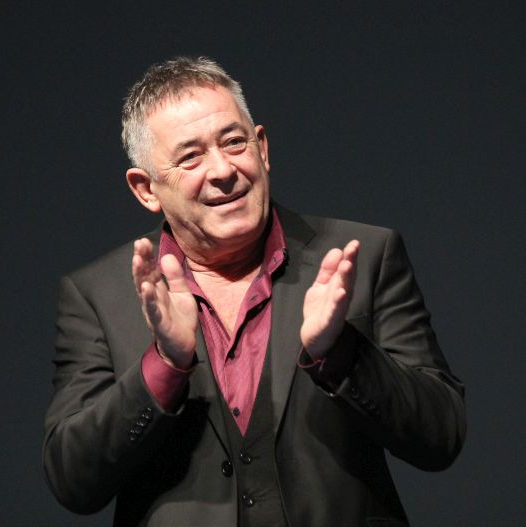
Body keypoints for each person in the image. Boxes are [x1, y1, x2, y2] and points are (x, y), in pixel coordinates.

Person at [43, 56, 466, 527]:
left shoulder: (361, 255)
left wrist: (341, 353)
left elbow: (441, 435)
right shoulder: (96, 294)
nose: (223, 170)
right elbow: (73, 480)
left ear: (261, 148)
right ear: (146, 189)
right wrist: (164, 365)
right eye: (190, 157)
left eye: (233, 142)